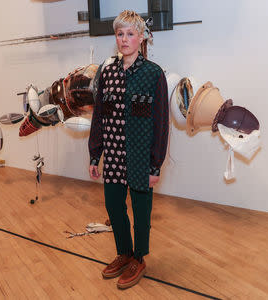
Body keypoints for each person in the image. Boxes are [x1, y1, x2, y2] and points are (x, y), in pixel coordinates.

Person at [88, 10, 169, 289]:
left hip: (139, 158)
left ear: (141, 37)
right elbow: (99, 115)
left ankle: (139, 258)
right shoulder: (107, 72)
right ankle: (123, 252)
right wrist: (94, 154)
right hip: (113, 155)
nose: (124, 39)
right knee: (114, 206)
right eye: (120, 34)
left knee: (141, 212)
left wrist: (155, 165)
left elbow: (160, 124)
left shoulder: (153, 74)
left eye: (130, 34)